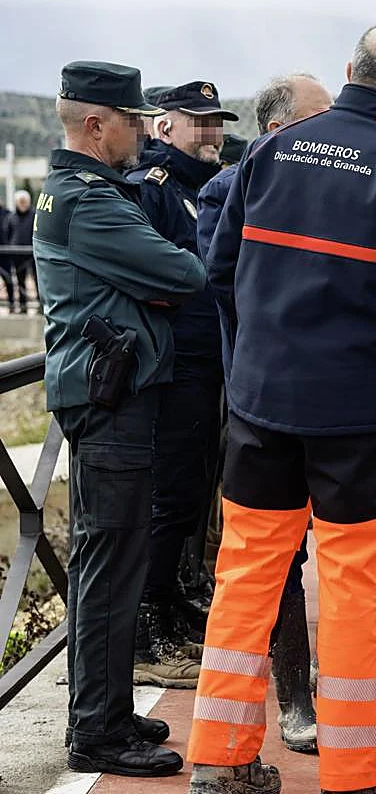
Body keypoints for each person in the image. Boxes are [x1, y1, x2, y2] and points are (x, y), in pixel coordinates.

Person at [186, 23, 376, 794]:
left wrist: (255, 370)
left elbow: (221, 274)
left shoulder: (269, 152)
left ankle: (221, 763)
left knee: (244, 580)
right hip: (360, 422)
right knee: (353, 590)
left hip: (261, 409)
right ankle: (357, 775)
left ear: (349, 70)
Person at [35, 61, 206, 777]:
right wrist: (155, 286)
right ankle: (98, 733)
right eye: (133, 121)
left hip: (101, 392)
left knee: (105, 562)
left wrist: (149, 286)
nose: (143, 132)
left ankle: (103, 708)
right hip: (112, 399)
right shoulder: (94, 202)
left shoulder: (76, 191)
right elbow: (186, 273)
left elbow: (162, 276)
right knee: (111, 566)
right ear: (95, 124)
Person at [195, 72, 334, 755]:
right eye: (319, 117)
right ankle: (292, 702)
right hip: (260, 402)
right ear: (279, 130)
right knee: (270, 564)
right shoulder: (230, 188)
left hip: (330, 403)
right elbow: (222, 280)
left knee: (349, 551)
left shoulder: (335, 185)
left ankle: (341, 692)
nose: (334, 128)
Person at [125, 81, 238, 689]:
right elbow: (151, 277)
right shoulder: (154, 189)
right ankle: (147, 633)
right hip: (175, 368)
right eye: (200, 122)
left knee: (191, 494)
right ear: (165, 127)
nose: (213, 133)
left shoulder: (206, 188)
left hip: (208, 363)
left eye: (217, 122)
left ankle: (169, 605)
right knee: (169, 499)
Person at [2, 190, 36, 313]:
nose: (22, 204)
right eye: (20, 202)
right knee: (19, 280)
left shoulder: (35, 215)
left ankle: (40, 306)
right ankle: (22, 306)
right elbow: (7, 233)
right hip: (17, 254)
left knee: (37, 280)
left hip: (33, 253)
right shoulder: (11, 217)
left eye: (24, 202)